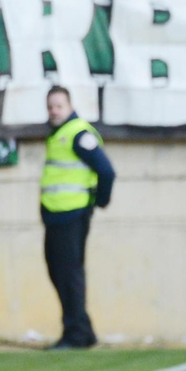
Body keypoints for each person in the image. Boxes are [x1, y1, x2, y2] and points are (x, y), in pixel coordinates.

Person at [41, 86, 115, 350]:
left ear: (70, 106)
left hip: (72, 214)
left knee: (69, 274)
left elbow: (106, 170)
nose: (54, 111)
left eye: (58, 106)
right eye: (50, 106)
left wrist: (99, 201)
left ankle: (75, 333)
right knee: (59, 272)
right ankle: (82, 330)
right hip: (55, 215)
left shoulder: (78, 134)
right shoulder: (59, 134)